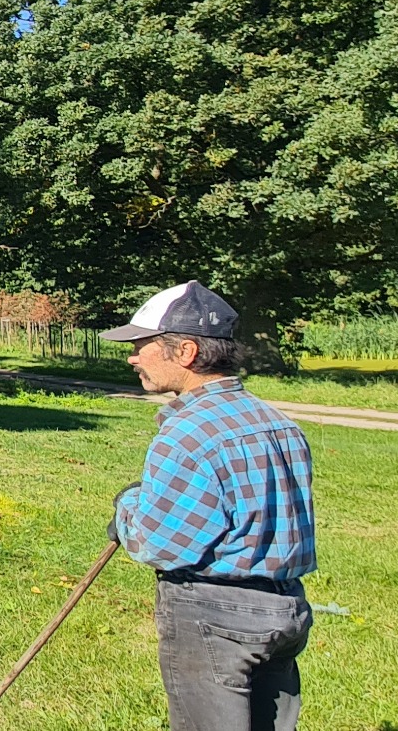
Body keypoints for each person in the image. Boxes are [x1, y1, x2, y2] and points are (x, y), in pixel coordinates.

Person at [102, 281, 316, 731]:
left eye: (142, 346)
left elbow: (158, 544)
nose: (133, 357)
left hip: (217, 619)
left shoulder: (188, 432)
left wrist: (127, 507)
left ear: (185, 352)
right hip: (286, 610)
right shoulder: (277, 422)